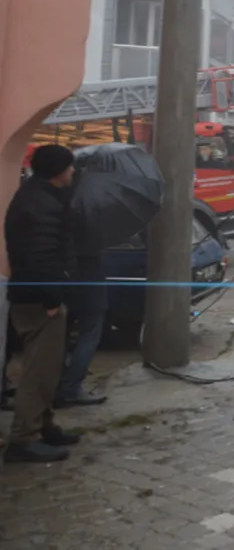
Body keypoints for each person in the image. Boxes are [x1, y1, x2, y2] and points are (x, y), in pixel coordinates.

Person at [3, 144, 81, 463]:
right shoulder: (38, 204)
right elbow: (38, 257)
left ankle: (45, 426)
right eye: (70, 167)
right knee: (38, 372)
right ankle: (23, 439)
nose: (74, 172)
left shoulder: (40, 197)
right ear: (58, 171)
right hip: (39, 300)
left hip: (39, 294)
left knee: (48, 368)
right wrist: (51, 297)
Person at [55, 218, 108, 408]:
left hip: (65, 282)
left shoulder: (58, 210)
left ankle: (58, 383)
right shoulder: (95, 213)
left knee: (60, 336)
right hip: (90, 283)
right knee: (89, 336)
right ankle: (70, 388)